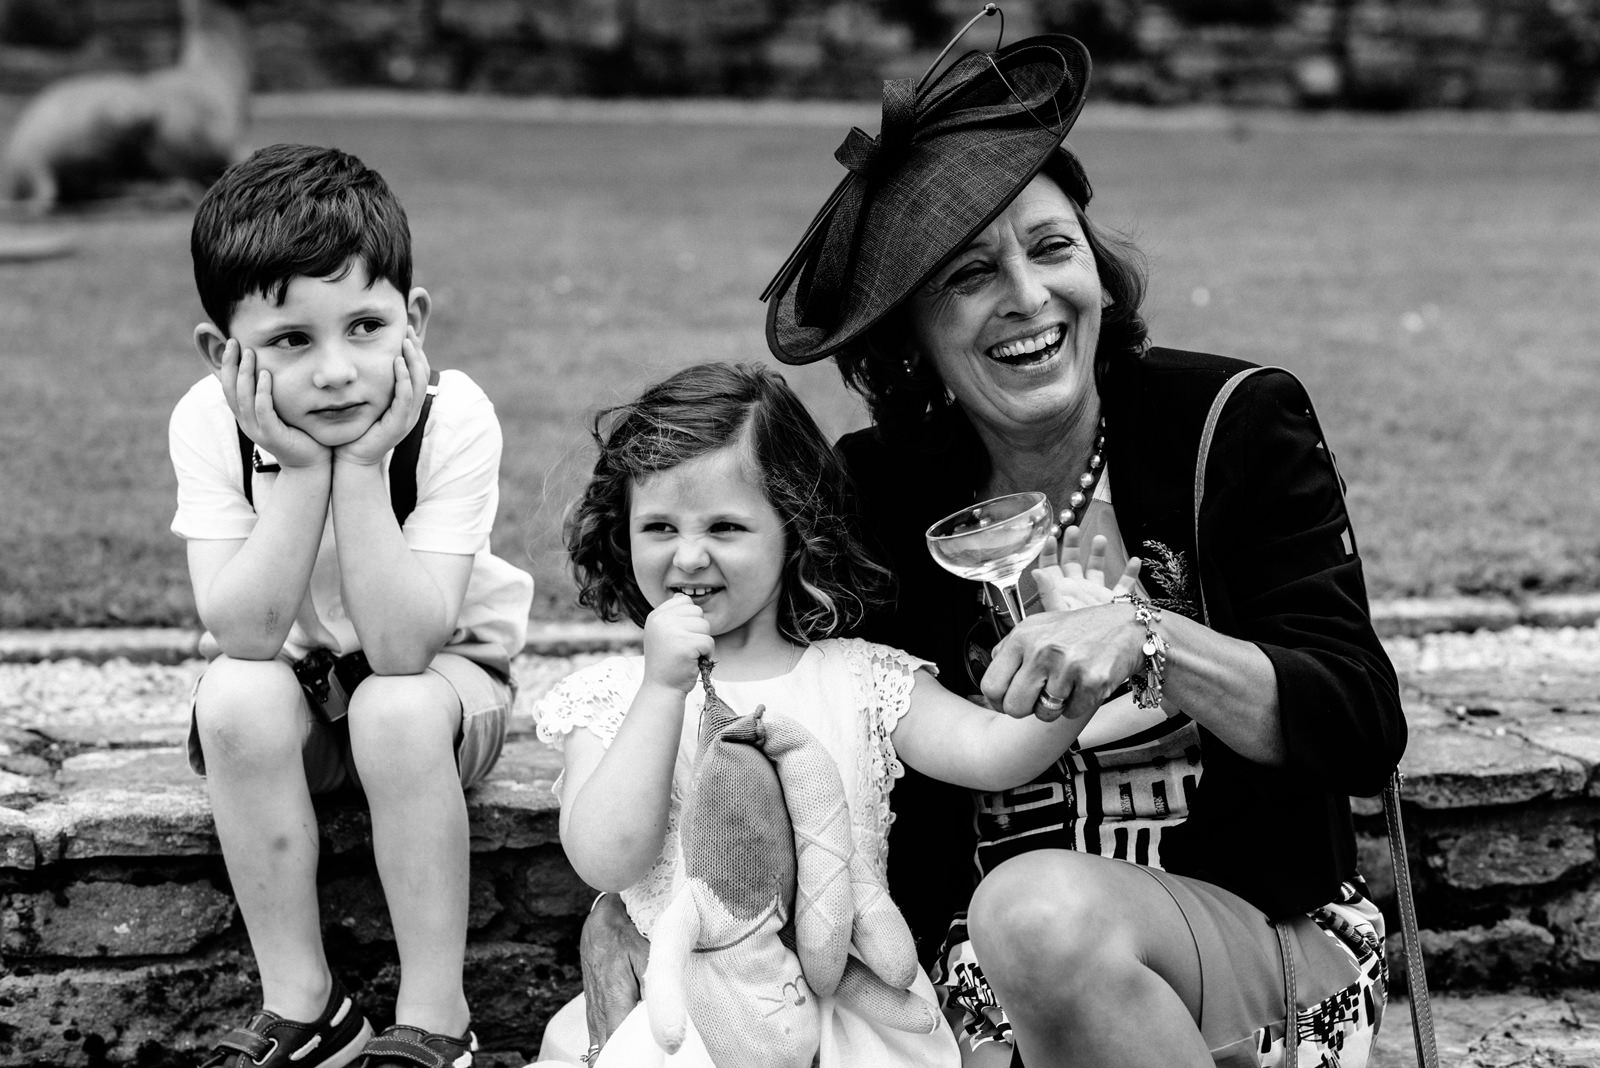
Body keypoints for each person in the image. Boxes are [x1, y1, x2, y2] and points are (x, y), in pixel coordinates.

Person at [586, 19, 1407, 1068]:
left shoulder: (1231, 422)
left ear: (1098, 272)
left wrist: (1150, 640)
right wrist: (645, 902)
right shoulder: (878, 486)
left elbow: (1359, 724)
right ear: (914, 333)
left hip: (1264, 954)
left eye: (1052, 248)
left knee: (1035, 915)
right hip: (975, 989)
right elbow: (799, 697)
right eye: (970, 275)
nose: (1027, 297)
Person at [531, 361, 1150, 1068]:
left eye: (727, 526)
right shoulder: (613, 696)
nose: (689, 554)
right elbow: (604, 857)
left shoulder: (860, 676)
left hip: (855, 1027)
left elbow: (991, 750)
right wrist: (659, 692)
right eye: (660, 526)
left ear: (793, 526)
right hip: (678, 1026)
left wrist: (1073, 673)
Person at [169, 143, 534, 1068]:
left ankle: (436, 1021)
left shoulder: (453, 418)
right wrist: (295, 470)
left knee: (395, 704)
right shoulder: (207, 422)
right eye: (292, 340)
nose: (336, 371)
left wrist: (366, 467)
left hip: (443, 687)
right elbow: (245, 632)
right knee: (234, 697)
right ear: (224, 355)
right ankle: (308, 1008)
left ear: (413, 320)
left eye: (363, 327)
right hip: (304, 685)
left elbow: (410, 647)